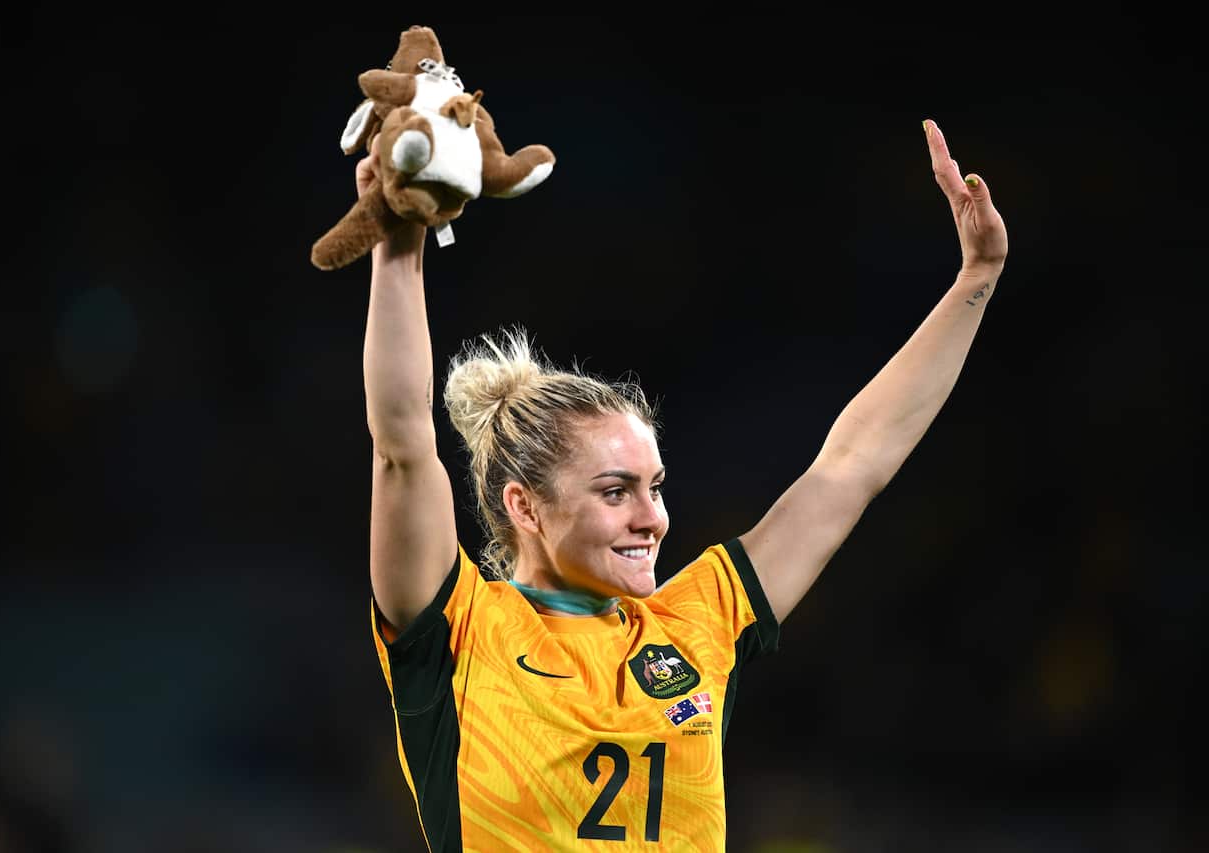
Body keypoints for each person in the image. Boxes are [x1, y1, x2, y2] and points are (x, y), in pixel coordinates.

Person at [362, 118, 1007, 851]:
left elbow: (851, 465)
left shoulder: (698, 624)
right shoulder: (457, 633)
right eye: (615, 491)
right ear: (525, 506)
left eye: (655, 486)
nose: (652, 518)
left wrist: (975, 281)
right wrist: (399, 244)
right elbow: (403, 446)